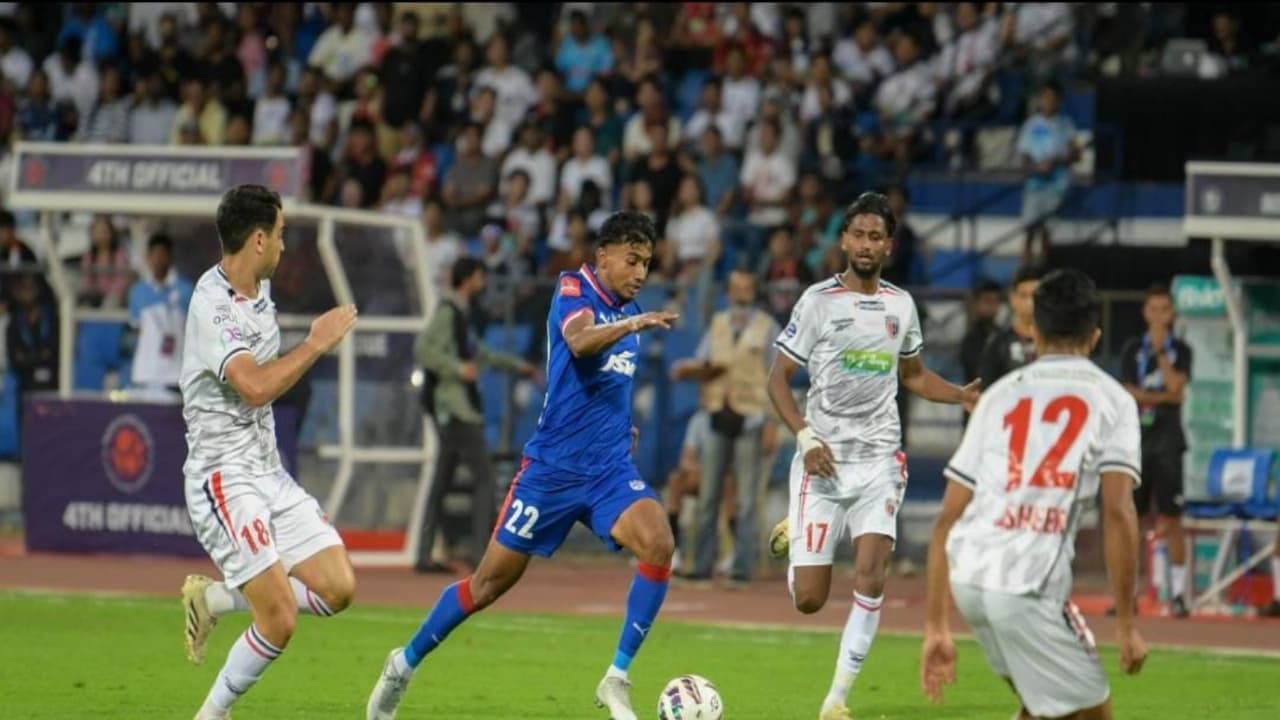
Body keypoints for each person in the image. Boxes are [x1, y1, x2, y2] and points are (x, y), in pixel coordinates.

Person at [366, 211, 679, 720]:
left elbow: (608, 388)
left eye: (647, 262)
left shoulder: (632, 317)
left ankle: (616, 678)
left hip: (605, 471)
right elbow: (579, 342)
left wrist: (623, 428)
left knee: (660, 541)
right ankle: (404, 661)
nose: (641, 272)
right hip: (549, 472)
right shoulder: (574, 289)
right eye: (632, 260)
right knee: (486, 585)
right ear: (604, 255)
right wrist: (633, 322)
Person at [765, 192, 980, 720]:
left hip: (881, 459)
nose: (866, 244)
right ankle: (798, 529)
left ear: (889, 245)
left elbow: (913, 376)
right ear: (844, 240)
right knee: (809, 599)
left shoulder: (901, 306)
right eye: (858, 234)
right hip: (823, 461)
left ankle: (836, 699)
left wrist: (960, 395)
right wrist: (806, 437)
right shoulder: (817, 302)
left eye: (875, 236)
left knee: (872, 573)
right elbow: (777, 380)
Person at [921, 268, 1148, 719]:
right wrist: (1126, 624)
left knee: (1040, 706)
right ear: (1096, 334)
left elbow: (947, 517)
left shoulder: (1000, 394)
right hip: (1028, 586)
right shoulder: (1114, 400)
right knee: (1091, 713)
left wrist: (936, 626)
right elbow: (1119, 512)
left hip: (971, 578)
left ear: (1035, 331)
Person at [177, 185, 360, 720]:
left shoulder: (257, 291)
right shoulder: (212, 306)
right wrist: (316, 342)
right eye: (280, 235)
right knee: (279, 618)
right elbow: (254, 387)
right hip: (223, 477)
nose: (284, 245)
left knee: (337, 588)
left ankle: (214, 601)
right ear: (258, 238)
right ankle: (209, 716)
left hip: (267, 471)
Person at [414, 256, 540, 574]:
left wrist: (518, 366)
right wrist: (457, 369)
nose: (482, 284)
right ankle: (481, 552)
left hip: (455, 409)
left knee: (442, 482)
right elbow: (425, 350)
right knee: (484, 476)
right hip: (456, 409)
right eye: (480, 277)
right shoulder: (449, 312)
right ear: (468, 278)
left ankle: (425, 553)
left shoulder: (461, 314)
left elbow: (479, 353)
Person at [670, 269, 779, 587]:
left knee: (745, 498)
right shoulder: (718, 324)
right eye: (735, 288)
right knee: (708, 495)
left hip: (751, 417)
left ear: (753, 291)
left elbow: (777, 376)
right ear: (729, 292)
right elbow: (704, 361)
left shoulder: (768, 327)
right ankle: (701, 565)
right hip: (718, 413)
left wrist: (772, 421)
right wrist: (692, 371)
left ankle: (740, 569)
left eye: (746, 287)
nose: (740, 293)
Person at [1118, 284, 1192, 617]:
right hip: (1137, 441)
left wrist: (1162, 355)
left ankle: (1177, 595)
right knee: (1130, 519)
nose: (1159, 316)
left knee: (1172, 518)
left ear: (1172, 313)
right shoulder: (1132, 348)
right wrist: (1161, 397)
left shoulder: (1181, 349)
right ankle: (1127, 595)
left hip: (1169, 442)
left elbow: (1177, 390)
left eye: (1165, 309)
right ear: (1145, 312)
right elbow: (1126, 392)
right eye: (1154, 309)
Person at [1018, 81, 1080, 264]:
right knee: (1029, 228)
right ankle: (1024, 270)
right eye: (1045, 98)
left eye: (1053, 99)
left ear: (1059, 102)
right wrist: (1035, 168)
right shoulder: (1030, 125)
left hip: (1056, 186)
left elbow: (1075, 155)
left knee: (1046, 231)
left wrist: (1056, 160)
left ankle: (1044, 270)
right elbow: (1024, 158)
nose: (1048, 102)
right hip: (1035, 185)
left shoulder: (1066, 124)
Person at [126, 234, 194, 401]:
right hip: (144, 374)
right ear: (148, 257)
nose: (158, 260)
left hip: (174, 374)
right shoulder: (137, 291)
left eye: (162, 255)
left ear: (170, 257)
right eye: (154, 255)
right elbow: (137, 328)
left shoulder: (185, 289)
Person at [978, 264, 1043, 388]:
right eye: (1024, 296)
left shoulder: (1056, 342)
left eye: (1036, 296)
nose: (1030, 303)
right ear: (1013, 298)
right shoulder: (998, 343)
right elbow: (986, 391)